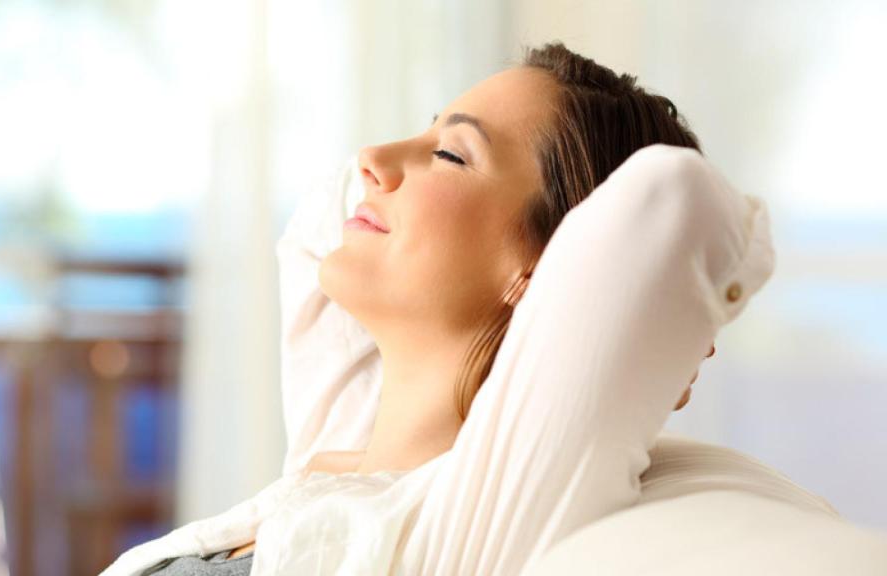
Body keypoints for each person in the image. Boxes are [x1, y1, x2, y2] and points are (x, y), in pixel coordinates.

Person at [101, 41, 774, 576]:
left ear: (548, 273)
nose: (370, 159)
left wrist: (655, 333)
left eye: (450, 154)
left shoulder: (479, 514)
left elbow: (678, 199)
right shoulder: (326, 457)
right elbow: (315, 227)